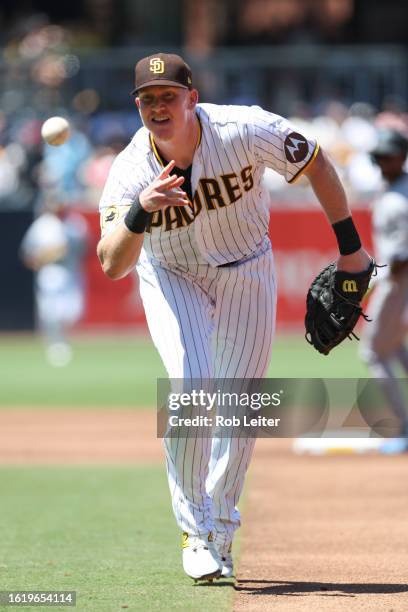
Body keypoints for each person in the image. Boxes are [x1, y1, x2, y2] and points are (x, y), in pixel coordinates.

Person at [97, 53, 372, 581]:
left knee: (242, 405)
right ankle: (194, 529)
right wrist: (140, 211)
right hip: (170, 272)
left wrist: (352, 250)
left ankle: (221, 525)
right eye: (147, 100)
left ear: (191, 99)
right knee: (193, 388)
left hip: (247, 263)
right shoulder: (131, 169)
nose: (158, 107)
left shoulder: (244, 128)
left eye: (168, 96)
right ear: (138, 108)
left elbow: (314, 162)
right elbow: (112, 264)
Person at [360, 128, 408, 454]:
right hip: (394, 279)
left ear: (401, 156)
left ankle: (405, 429)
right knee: (391, 348)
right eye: (378, 156)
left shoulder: (400, 196)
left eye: (388, 155)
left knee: (374, 351)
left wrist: (375, 282)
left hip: (399, 280)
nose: (382, 162)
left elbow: (402, 256)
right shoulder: (391, 188)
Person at [20, 202, 88, 366]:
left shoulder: (75, 222)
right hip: (51, 273)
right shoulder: (42, 225)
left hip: (72, 272)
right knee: (51, 313)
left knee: (73, 312)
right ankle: (56, 344)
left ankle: (62, 340)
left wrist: (64, 250)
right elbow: (27, 254)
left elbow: (84, 248)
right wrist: (46, 256)